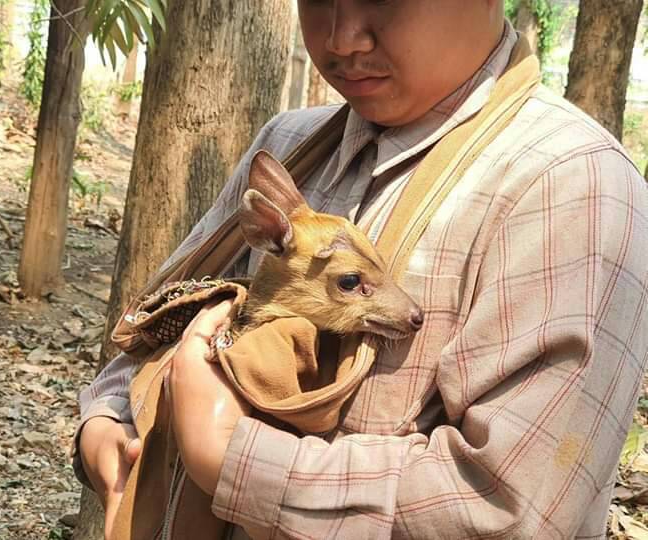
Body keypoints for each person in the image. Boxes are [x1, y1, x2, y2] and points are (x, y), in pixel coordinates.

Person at [74, 1, 648, 538]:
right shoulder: (290, 145)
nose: (342, 39)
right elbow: (161, 320)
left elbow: (517, 509)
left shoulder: (571, 184)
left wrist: (227, 456)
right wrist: (107, 418)